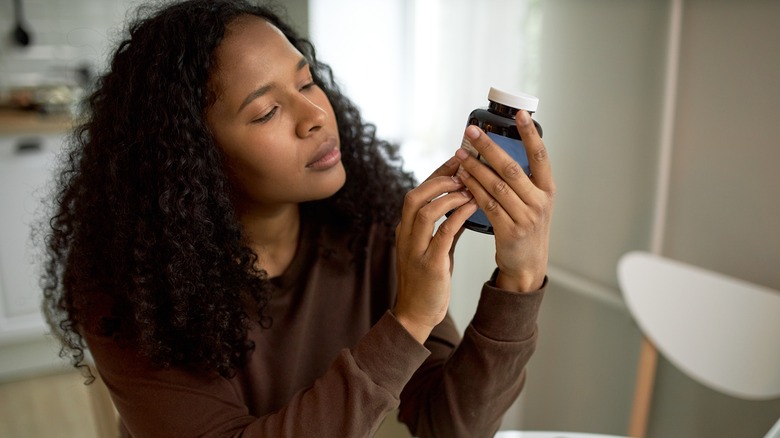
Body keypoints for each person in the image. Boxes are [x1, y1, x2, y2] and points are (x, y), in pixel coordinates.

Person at [40, 0, 555, 436]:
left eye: (307, 84)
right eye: (265, 112)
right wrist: (409, 320)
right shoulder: (132, 293)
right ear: (191, 155)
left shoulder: (371, 227)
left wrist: (520, 279)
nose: (315, 117)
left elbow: (453, 424)